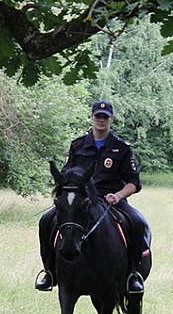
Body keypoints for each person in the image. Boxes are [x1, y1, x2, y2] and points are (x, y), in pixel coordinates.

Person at [36, 100, 150, 293]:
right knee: (46, 221)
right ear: (92, 117)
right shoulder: (78, 145)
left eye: (105, 117)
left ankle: (132, 274)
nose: (101, 120)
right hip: (81, 200)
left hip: (111, 201)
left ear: (111, 119)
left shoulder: (122, 148)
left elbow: (134, 182)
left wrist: (118, 195)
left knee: (138, 223)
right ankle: (49, 272)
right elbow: (66, 176)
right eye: (98, 116)